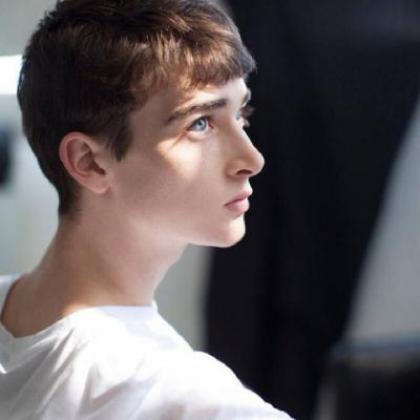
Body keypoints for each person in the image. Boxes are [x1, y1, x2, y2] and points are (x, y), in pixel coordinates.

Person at [0, 0, 293, 418]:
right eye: (200, 123)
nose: (252, 159)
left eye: (240, 113)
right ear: (89, 161)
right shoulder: (190, 399)